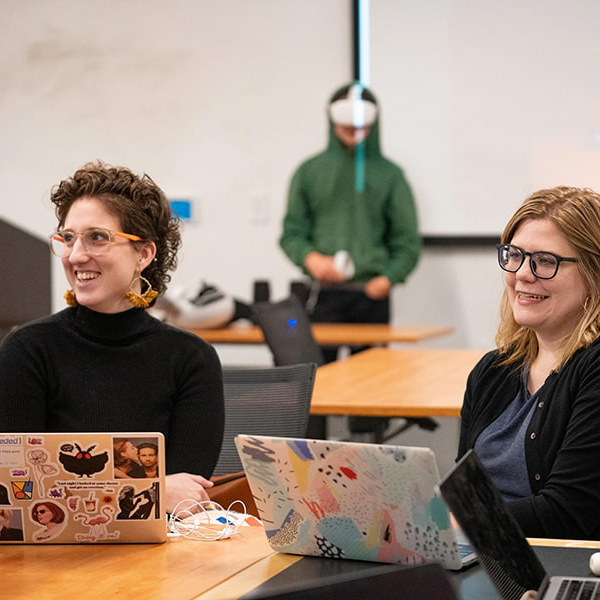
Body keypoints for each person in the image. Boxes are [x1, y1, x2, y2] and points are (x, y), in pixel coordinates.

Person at [0, 161, 225, 513]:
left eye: (97, 238)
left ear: (144, 254)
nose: (76, 256)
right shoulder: (27, 351)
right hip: (50, 557)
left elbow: (184, 496)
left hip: (161, 560)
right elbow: (16, 491)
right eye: (69, 238)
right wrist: (153, 489)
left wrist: (155, 493)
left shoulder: (190, 358)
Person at [458, 186, 600, 540]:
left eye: (546, 261)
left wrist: (458, 522)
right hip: (485, 557)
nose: (522, 273)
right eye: (514, 255)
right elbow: (462, 492)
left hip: (554, 568)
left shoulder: (594, 368)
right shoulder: (492, 371)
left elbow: (567, 512)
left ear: (594, 273)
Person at [280, 81, 421, 363]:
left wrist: (389, 277)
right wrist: (311, 259)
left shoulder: (390, 176)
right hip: (322, 295)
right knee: (317, 385)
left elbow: (407, 241)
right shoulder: (309, 172)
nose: (352, 130)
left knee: (373, 385)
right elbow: (292, 233)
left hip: (371, 295)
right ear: (332, 118)